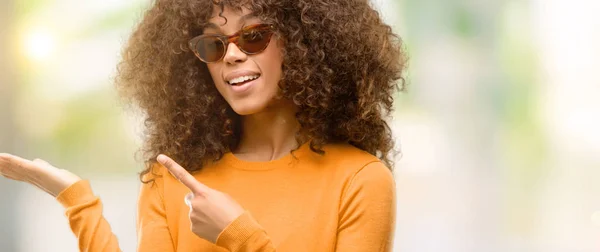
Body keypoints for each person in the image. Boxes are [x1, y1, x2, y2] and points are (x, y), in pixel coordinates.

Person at [0, 0, 406, 251]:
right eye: (213, 44)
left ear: (306, 43)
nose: (230, 55)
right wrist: (76, 199)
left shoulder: (360, 181)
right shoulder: (174, 179)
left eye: (254, 36)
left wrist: (239, 236)